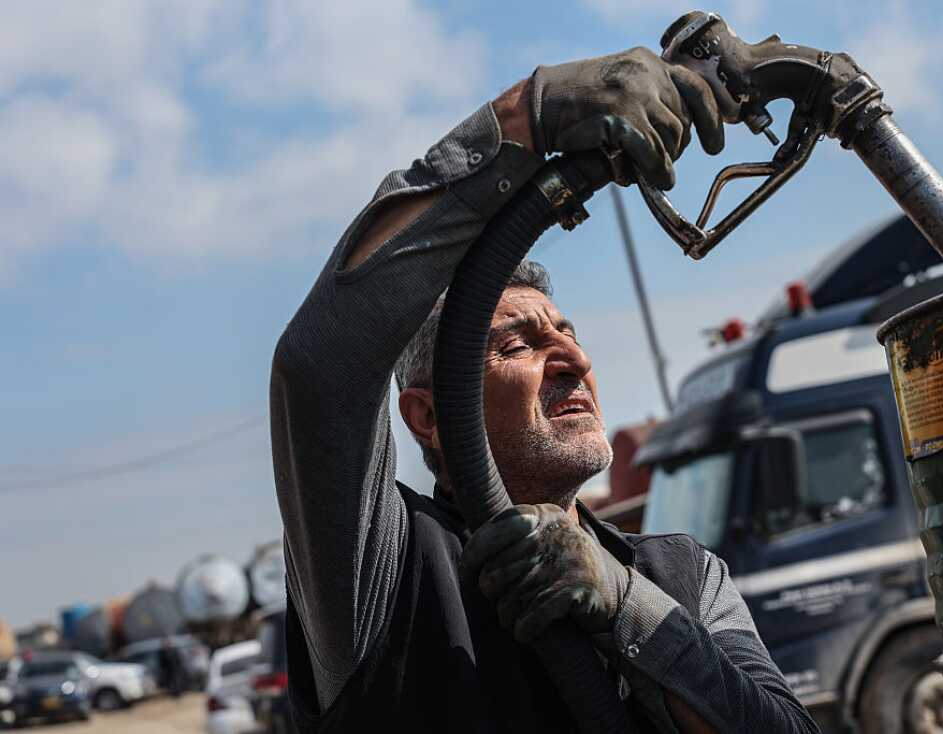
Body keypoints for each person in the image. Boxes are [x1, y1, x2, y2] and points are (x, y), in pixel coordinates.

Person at [271, 47, 819, 733]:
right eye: (517, 344)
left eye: (566, 331)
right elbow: (321, 372)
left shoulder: (681, 575)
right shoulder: (389, 577)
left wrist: (624, 602)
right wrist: (525, 120)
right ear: (430, 417)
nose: (571, 358)